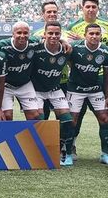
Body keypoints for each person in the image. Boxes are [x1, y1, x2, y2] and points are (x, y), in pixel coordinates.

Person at [66, 24, 108, 165]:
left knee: (105, 119)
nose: (94, 36)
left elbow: (107, 76)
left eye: (97, 34)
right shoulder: (75, 47)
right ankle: (68, 154)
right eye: (91, 33)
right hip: (75, 89)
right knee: (72, 121)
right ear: (85, 35)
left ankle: (105, 154)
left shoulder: (105, 51)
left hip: (95, 89)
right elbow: (66, 60)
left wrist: (107, 96)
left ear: (101, 35)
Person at [31, 22, 75, 166]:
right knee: (40, 120)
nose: (53, 36)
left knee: (68, 121)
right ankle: (38, 152)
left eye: (57, 34)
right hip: (36, 90)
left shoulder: (65, 50)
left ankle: (62, 150)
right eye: (50, 33)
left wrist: (65, 42)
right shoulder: (36, 48)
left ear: (60, 34)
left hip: (55, 89)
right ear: (44, 34)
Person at [0, 22, 43, 121]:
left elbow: (48, 39)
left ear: (29, 34)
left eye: (25, 33)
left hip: (25, 84)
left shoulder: (34, 42)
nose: (22, 36)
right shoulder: (2, 45)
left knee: (35, 116)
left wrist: (64, 41)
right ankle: (7, 136)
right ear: (13, 34)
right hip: (6, 85)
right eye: (19, 33)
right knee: (7, 116)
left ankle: (30, 136)